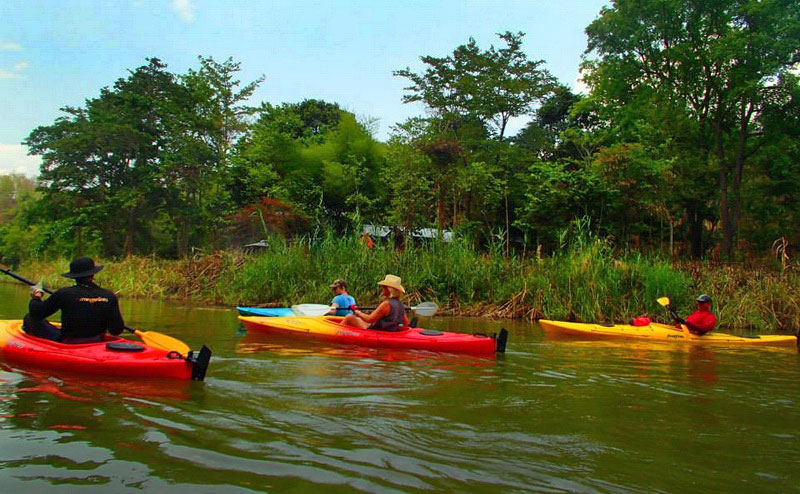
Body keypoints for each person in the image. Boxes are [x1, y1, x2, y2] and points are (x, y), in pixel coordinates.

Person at [24, 257, 125, 343]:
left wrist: (37, 296)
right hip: (96, 342)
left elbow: (36, 313)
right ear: (93, 274)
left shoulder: (64, 293)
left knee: (29, 318)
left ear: (74, 276)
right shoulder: (109, 295)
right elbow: (116, 330)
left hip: (68, 343)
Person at [342, 274, 409, 331]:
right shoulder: (400, 304)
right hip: (390, 331)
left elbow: (369, 319)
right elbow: (406, 322)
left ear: (388, 289)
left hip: (377, 331)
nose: (382, 290)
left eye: (383, 288)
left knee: (349, 317)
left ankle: (336, 335)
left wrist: (357, 312)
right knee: (361, 320)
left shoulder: (386, 304)